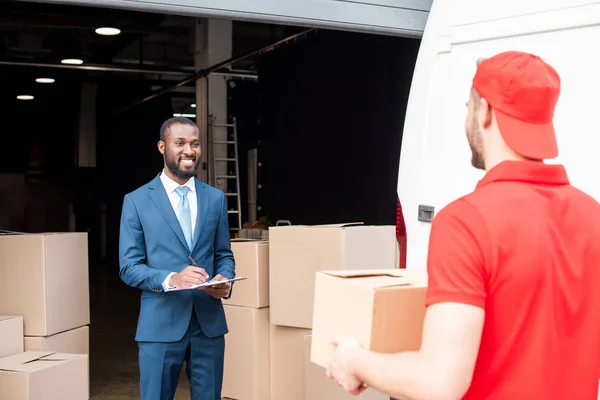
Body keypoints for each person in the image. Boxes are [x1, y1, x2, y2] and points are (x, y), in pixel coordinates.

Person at [326, 51, 600, 399]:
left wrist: (356, 361)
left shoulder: (466, 222)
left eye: (468, 106)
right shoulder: (593, 215)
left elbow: (438, 383)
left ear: (484, 111)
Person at [119, 117, 236, 400]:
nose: (189, 150)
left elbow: (224, 255)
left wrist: (225, 280)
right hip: (159, 325)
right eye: (180, 143)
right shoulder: (136, 201)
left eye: (195, 144)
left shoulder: (215, 199)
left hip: (208, 325)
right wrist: (173, 278)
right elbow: (128, 266)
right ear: (162, 147)